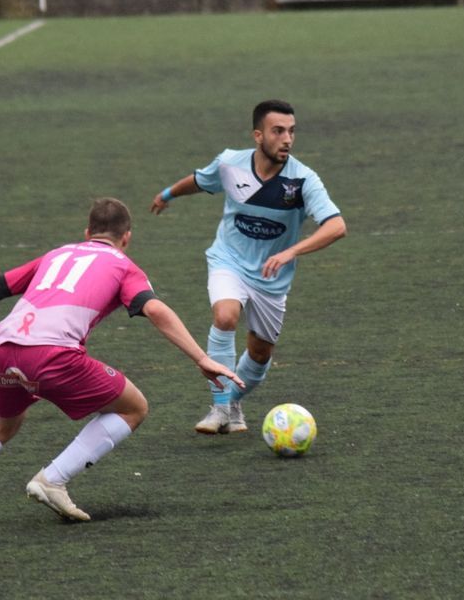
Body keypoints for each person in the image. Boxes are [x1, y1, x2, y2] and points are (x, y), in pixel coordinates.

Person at [0, 198, 242, 527]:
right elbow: (155, 310)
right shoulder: (124, 266)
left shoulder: (56, 254)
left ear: (87, 233)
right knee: (134, 408)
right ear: (127, 237)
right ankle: (52, 479)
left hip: (4, 348)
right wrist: (201, 358)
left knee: (1, 425)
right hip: (53, 355)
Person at [149, 100, 347, 435]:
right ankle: (220, 407)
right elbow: (200, 180)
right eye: (278, 131)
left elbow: (336, 226)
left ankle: (233, 402)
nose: (287, 139)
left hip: (271, 278)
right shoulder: (230, 163)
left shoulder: (302, 180)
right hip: (228, 259)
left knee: (259, 353)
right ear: (258, 135)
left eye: (291, 131)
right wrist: (167, 193)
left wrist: (290, 253)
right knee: (225, 316)